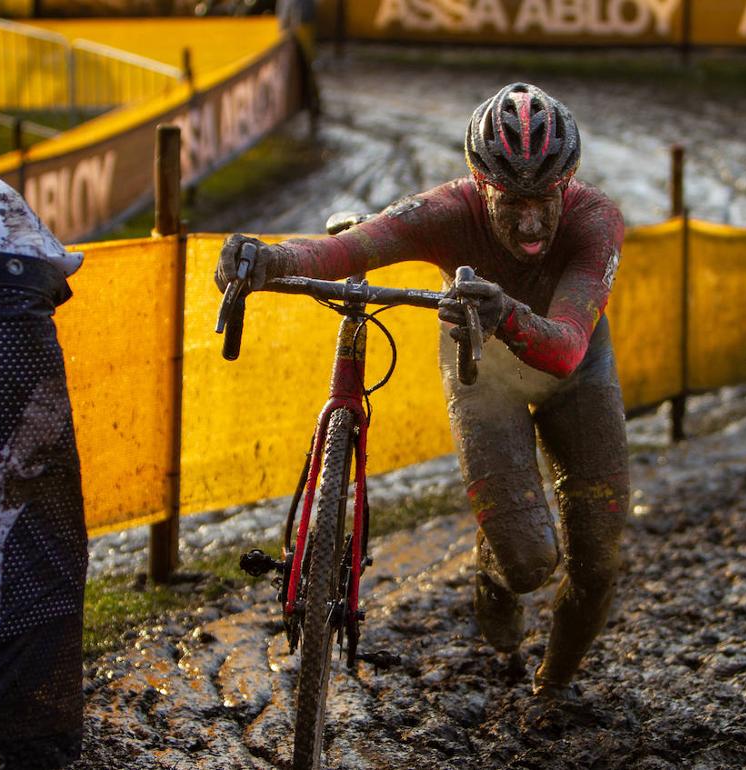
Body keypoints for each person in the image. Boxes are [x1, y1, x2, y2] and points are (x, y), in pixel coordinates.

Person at [216, 82, 628, 698]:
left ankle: (553, 689)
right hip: (482, 369)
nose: (532, 219)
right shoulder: (445, 211)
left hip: (575, 368)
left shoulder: (596, 220)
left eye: (545, 198)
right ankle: (494, 572)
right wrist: (268, 260)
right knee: (529, 564)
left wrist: (508, 313)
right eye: (512, 201)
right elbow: (345, 250)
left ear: (568, 183)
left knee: (598, 560)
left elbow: (567, 348)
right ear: (479, 185)